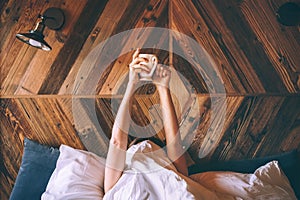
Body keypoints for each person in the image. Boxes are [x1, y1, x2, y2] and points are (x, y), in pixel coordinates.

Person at [103, 49, 221, 200]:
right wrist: (162, 87)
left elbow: (118, 142)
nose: (144, 145)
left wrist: (132, 83)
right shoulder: (173, 169)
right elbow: (174, 145)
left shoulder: (114, 183)